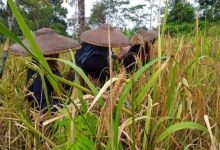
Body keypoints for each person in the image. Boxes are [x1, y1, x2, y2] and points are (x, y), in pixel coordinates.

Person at [9, 27, 81, 112]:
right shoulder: (38, 71)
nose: (57, 55)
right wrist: (70, 108)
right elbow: (42, 103)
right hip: (45, 117)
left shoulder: (50, 66)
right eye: (55, 53)